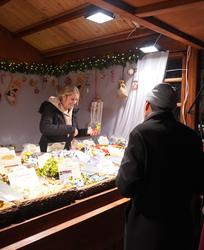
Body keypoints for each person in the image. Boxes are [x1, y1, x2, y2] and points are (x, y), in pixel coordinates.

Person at [116, 83, 204, 250]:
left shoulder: (140, 133)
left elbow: (126, 186)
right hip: (181, 226)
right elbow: (200, 183)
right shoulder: (192, 137)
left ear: (148, 105)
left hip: (148, 230)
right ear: (172, 108)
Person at [38, 84, 97, 152]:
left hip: (63, 150)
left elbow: (74, 132)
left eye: (76, 100)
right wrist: (70, 129)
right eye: (72, 99)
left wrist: (88, 131)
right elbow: (45, 128)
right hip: (49, 149)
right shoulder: (50, 108)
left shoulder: (72, 111)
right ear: (63, 97)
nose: (74, 102)